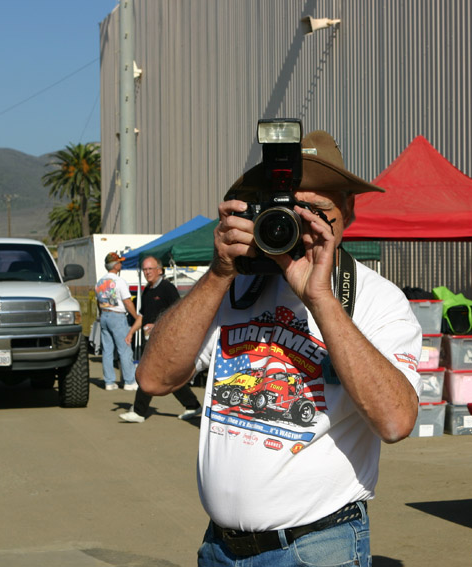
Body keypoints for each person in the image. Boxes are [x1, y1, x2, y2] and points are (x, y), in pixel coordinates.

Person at [136, 128, 422, 566]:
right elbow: (153, 379)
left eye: (316, 211)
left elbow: (396, 421)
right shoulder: (231, 286)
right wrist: (218, 272)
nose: (299, 225)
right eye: (285, 209)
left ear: (348, 210)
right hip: (219, 548)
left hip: (317, 548)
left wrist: (321, 299)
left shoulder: (377, 299)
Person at [119, 256, 202, 423]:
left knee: (147, 373)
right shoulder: (147, 290)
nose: (147, 272)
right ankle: (192, 405)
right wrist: (131, 332)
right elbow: (142, 315)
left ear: (159, 270)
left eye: (150, 269)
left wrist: (156, 326)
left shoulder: (167, 288)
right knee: (168, 377)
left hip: (164, 342)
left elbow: (178, 315)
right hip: (150, 340)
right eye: (144, 269)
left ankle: (139, 411)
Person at [94, 252, 140, 391]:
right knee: (124, 349)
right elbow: (127, 301)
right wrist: (136, 316)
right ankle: (129, 381)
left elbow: (98, 301)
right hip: (117, 316)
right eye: (120, 262)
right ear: (115, 265)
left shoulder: (100, 282)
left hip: (104, 315)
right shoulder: (119, 281)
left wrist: (102, 313)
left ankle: (109, 382)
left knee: (107, 351)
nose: (121, 264)